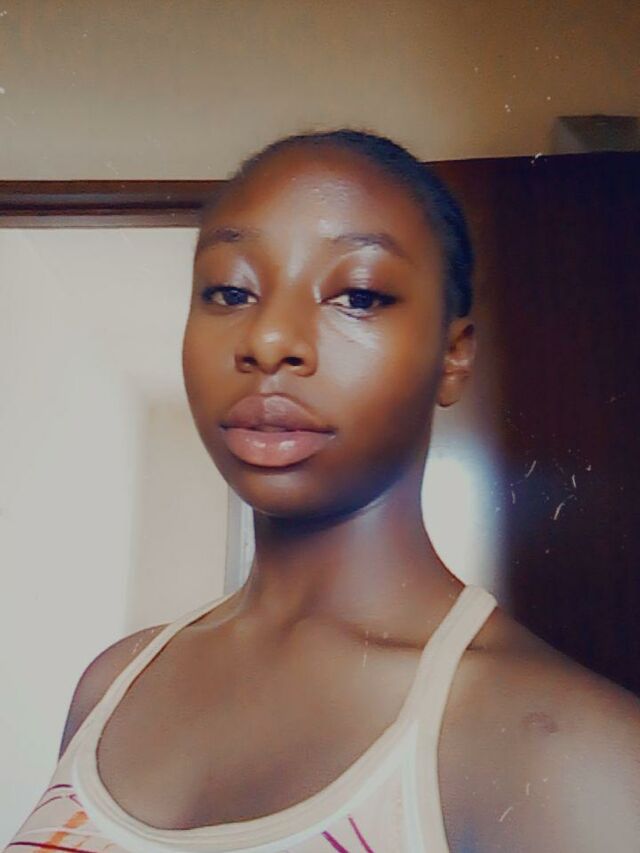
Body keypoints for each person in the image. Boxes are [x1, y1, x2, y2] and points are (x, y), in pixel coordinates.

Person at [7, 129, 640, 853]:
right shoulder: (112, 685)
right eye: (230, 291)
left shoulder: (567, 751)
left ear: (453, 355)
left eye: (358, 295)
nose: (269, 339)